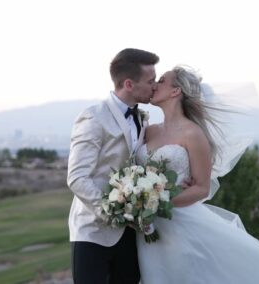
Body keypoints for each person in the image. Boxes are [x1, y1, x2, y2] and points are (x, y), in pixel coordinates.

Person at [135, 65, 259, 283]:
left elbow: (201, 188)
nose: (154, 84)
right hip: (144, 226)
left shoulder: (193, 134)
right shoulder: (148, 130)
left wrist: (157, 203)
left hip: (178, 224)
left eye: (162, 80)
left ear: (176, 91)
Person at [67, 48, 158, 284]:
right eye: (150, 81)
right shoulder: (93, 117)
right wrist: (113, 214)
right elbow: (77, 178)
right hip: (92, 232)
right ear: (129, 84)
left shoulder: (143, 118)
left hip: (131, 235)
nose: (155, 86)